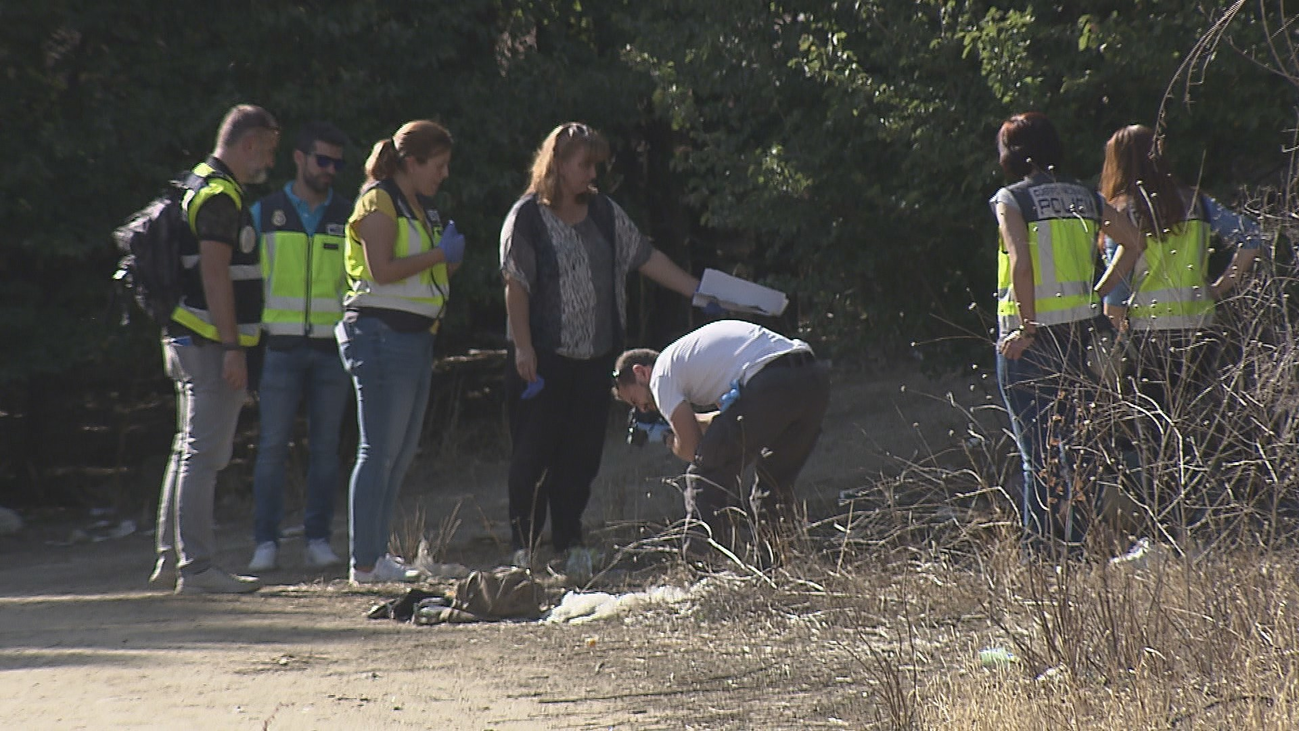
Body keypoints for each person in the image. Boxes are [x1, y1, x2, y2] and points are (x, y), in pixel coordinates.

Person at [499, 121, 713, 576]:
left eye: (597, 164)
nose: (592, 173)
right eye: (585, 164)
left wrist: (695, 289)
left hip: (597, 360)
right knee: (533, 454)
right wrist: (522, 347)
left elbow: (645, 258)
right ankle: (524, 546)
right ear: (557, 164)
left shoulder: (605, 213)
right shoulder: (527, 218)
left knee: (581, 457)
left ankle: (570, 540)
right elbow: (515, 285)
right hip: (543, 359)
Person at [1096, 124, 1264, 530]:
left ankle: (1163, 530)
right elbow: (1252, 237)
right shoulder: (1197, 202)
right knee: (1189, 431)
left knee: (1150, 436)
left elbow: (1118, 287)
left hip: (1148, 336)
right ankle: (1195, 522)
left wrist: (1116, 322)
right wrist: (1219, 288)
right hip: (1198, 331)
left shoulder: (1123, 210)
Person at [989, 112, 1142, 553]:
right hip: (1080, 336)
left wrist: (1026, 327)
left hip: (1030, 342)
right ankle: (1080, 542)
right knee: (1079, 448)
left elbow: (1021, 262)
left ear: (1010, 154)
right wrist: (1100, 290)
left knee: (1035, 451)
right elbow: (1134, 243)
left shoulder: (1011, 199)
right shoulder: (1086, 197)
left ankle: (1041, 550)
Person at [149, 104, 280, 594]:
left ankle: (171, 562)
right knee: (203, 456)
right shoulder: (220, 195)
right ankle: (197, 569)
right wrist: (232, 347)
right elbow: (214, 273)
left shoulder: (197, 181)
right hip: (207, 340)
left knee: (187, 451)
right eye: (266, 151)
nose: (267, 162)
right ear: (248, 144)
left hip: (186, 335)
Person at [336, 120, 464, 585]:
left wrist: (449, 258)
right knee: (378, 450)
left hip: (414, 338)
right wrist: (438, 256)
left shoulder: (421, 207)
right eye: (439, 165)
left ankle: (376, 556)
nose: (444, 174)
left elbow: (425, 274)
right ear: (412, 163)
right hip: (380, 336)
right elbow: (383, 270)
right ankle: (364, 562)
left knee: (399, 452)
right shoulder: (378, 201)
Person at [612, 319, 831, 560]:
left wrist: (666, 437)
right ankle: (777, 570)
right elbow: (731, 426)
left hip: (768, 385)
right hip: (811, 378)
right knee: (773, 487)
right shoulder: (695, 361)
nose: (644, 409)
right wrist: (680, 421)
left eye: (636, 401)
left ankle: (703, 573)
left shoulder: (661, 375)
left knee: (703, 478)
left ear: (640, 372)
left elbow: (695, 450)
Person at [246, 122, 354, 573]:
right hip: (281, 348)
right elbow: (247, 283)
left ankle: (317, 539)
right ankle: (265, 542)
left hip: (332, 349)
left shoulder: (347, 216)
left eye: (336, 163)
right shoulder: (263, 212)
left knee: (326, 450)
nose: (329, 170)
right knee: (271, 447)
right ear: (299, 157)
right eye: (321, 160)